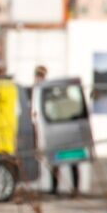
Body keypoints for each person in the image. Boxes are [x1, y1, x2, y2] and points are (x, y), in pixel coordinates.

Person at [34, 65, 81, 196]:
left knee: (72, 162)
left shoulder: (67, 102)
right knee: (56, 162)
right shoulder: (46, 95)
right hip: (58, 134)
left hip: (68, 135)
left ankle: (73, 189)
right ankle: (56, 188)